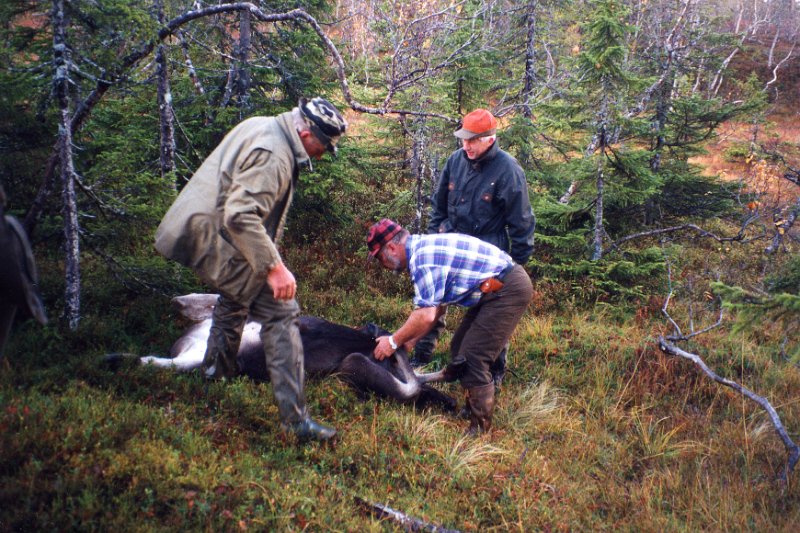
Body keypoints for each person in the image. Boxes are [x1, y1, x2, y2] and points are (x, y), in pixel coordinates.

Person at [154, 97, 346, 442]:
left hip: (207, 229)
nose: (323, 153)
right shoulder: (274, 154)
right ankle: (296, 421)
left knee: (233, 301)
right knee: (282, 313)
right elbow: (240, 215)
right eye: (324, 145)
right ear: (306, 132)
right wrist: (273, 268)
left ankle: (213, 382)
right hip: (220, 237)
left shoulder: (266, 124)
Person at [367, 219, 533, 435]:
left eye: (380, 258)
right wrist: (409, 342)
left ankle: (480, 428)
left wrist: (392, 342)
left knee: (473, 357)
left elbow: (425, 314)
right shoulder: (423, 249)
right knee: (459, 349)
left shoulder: (423, 260)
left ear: (391, 247)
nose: (383, 265)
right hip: (492, 290)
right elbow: (437, 310)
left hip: (507, 289)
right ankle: (471, 406)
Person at [414, 108, 535, 386]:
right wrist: (436, 241)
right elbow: (438, 206)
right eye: (463, 139)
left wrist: (513, 267)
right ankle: (421, 356)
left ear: (490, 139)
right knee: (433, 301)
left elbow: (522, 222)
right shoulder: (455, 161)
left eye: (472, 140)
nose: (466, 145)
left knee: (491, 313)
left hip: (488, 257)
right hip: (451, 249)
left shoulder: (508, 170)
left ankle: (493, 372)